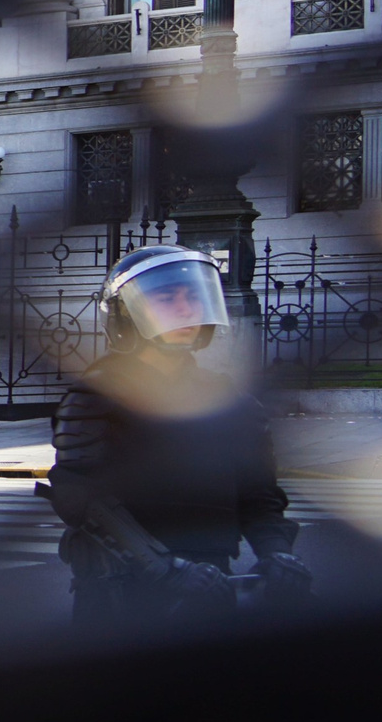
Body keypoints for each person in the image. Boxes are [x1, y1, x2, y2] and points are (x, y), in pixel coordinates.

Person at [48, 246, 305, 627]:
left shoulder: (230, 401)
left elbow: (259, 493)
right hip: (121, 591)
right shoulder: (94, 399)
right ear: (127, 314)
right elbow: (82, 500)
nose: (186, 309)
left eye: (192, 296)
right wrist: (167, 570)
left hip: (211, 580)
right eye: (166, 298)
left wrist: (277, 552)